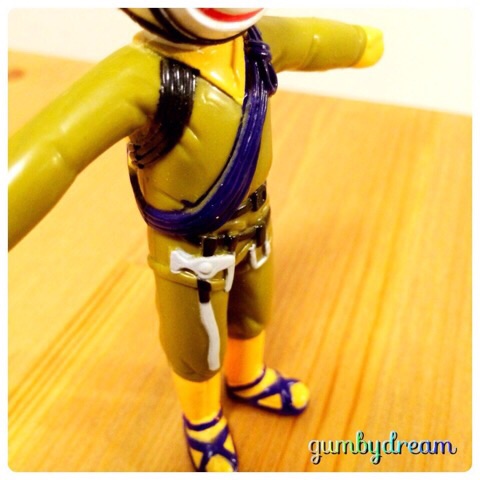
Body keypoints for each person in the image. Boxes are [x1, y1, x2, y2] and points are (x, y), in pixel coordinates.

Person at [8, 8, 383, 472]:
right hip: (191, 251)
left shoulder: (255, 44)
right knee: (196, 344)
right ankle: (203, 421)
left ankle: (247, 377)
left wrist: (360, 42)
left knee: (254, 309)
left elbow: (309, 40)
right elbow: (55, 146)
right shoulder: (142, 75)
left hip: (256, 224)